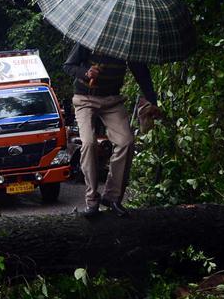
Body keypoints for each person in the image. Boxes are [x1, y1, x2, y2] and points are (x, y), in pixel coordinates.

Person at [63, 42, 162, 217]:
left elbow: (142, 74)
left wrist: (152, 101)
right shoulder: (90, 40)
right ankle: (92, 201)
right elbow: (68, 66)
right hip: (85, 99)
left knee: (126, 142)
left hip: (112, 100)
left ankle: (112, 197)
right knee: (89, 143)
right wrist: (86, 73)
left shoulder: (127, 44)